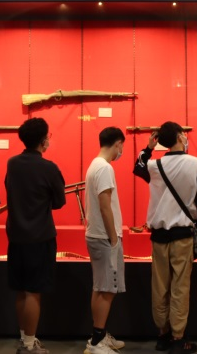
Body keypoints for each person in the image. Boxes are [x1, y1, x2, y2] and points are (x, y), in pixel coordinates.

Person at [133, 122, 197, 354]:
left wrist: (148, 148)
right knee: (180, 287)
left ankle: (162, 334)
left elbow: (138, 166)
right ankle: (178, 337)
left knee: (160, 286)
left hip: (158, 236)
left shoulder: (154, 165)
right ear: (180, 136)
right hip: (183, 234)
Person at [5, 117, 66, 354]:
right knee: (33, 292)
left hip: (16, 237)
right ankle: (30, 345)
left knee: (21, 290)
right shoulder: (49, 168)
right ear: (43, 140)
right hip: (40, 237)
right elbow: (59, 202)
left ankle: (25, 339)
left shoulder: (12, 163)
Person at [84, 127, 127, 354]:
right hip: (104, 237)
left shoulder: (95, 165)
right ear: (118, 143)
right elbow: (104, 205)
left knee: (101, 287)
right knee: (107, 289)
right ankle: (97, 342)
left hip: (98, 235)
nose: (122, 151)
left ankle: (98, 335)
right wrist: (113, 239)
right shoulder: (104, 168)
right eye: (122, 146)